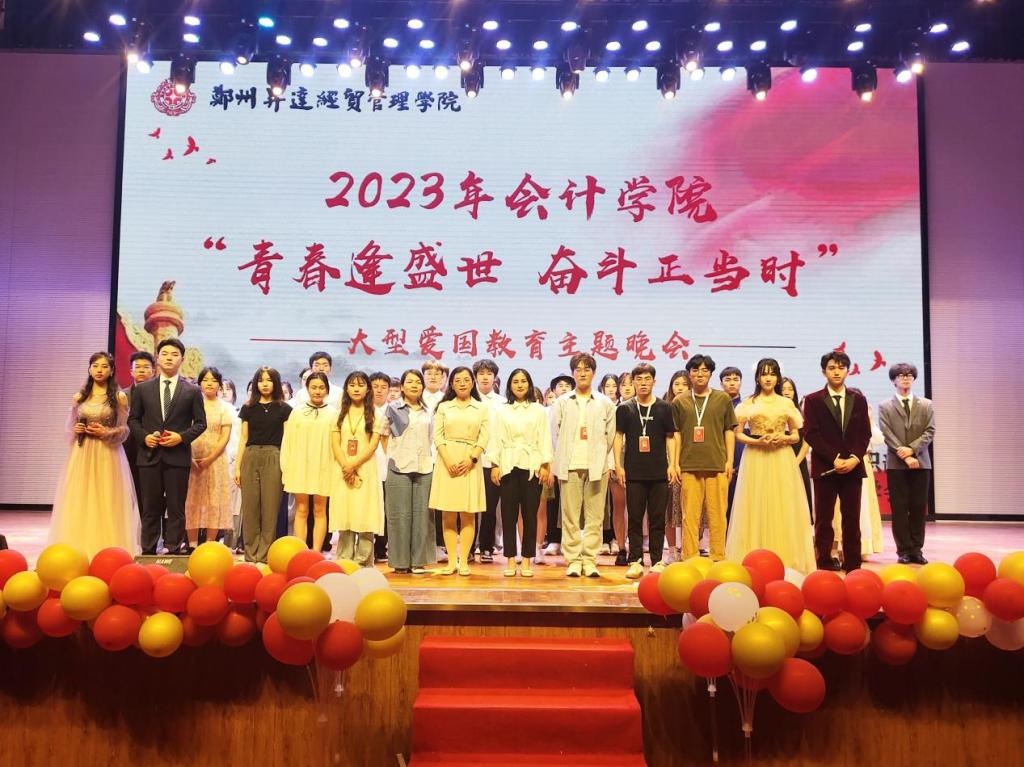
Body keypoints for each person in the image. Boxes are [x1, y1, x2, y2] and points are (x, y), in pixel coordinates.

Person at [725, 359, 815, 572]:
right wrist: (757, 442)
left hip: (781, 457)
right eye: (764, 374)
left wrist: (784, 438)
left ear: (778, 378)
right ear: (757, 377)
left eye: (772, 374)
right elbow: (738, 434)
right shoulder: (748, 403)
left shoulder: (786, 403)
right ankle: (751, 559)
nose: (768, 378)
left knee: (782, 504)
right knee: (754, 503)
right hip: (755, 457)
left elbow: (796, 435)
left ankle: (785, 559)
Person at [49, 352, 140, 556]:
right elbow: (69, 427)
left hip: (107, 453)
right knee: (80, 497)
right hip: (82, 453)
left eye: (104, 366)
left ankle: (108, 549)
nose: (99, 370)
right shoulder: (80, 397)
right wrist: (76, 429)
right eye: (95, 366)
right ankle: (77, 549)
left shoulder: (119, 397)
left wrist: (107, 432)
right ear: (89, 369)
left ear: (112, 370)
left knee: (106, 498)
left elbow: (125, 430)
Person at [128, 338, 207, 556]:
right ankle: (148, 550)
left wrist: (181, 437)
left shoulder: (192, 390)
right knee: (150, 507)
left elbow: (201, 423)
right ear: (157, 358)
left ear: (182, 359)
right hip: (149, 456)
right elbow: (133, 420)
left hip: (178, 457)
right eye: (164, 354)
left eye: (174, 354)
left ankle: (173, 550)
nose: (169, 358)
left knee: (176, 507)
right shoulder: (143, 389)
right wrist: (144, 437)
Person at [802, 351, 872, 571]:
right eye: (832, 368)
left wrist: (854, 458)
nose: (836, 372)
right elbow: (811, 434)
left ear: (847, 371)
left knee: (852, 520)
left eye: (841, 368)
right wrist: (834, 458)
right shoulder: (812, 400)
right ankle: (823, 562)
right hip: (825, 468)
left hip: (853, 468)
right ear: (824, 371)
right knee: (824, 520)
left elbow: (865, 433)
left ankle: (852, 565)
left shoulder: (858, 399)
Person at [551, 354, 616, 578]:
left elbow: (610, 436)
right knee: (570, 516)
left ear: (593, 373)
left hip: (597, 466)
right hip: (569, 465)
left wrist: (600, 457)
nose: (582, 373)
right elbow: (554, 435)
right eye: (578, 369)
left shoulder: (605, 403)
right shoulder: (562, 402)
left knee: (595, 517)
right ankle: (573, 560)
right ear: (572, 373)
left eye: (587, 369)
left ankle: (589, 560)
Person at [614, 364, 679, 579]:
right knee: (634, 517)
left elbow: (670, 437)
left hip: (659, 471)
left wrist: (672, 464)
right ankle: (635, 561)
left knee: (657, 518)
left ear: (654, 381)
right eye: (639, 379)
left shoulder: (664, 407)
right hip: (634, 472)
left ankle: (658, 559)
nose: (643, 383)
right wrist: (618, 465)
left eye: (647, 379)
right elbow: (618, 436)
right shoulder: (625, 408)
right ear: (633, 382)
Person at [488, 368, 553, 577]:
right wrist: (495, 465)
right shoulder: (502, 410)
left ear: (529, 384)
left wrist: (545, 465)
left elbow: (545, 438)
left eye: (523, 381)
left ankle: (526, 560)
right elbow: (495, 438)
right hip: (507, 465)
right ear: (510, 385)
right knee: (508, 515)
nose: (519, 385)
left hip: (532, 465)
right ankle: (509, 559)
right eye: (515, 381)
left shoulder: (538, 410)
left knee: (530, 515)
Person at [671, 355, 736, 561]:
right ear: (689, 374)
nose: (700, 374)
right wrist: (675, 463)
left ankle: (718, 556)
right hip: (689, 465)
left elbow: (729, 430)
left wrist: (729, 461)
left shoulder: (722, 399)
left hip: (717, 464)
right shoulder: (680, 401)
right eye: (695, 370)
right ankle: (689, 557)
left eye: (705, 370)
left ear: (710, 374)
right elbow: (676, 433)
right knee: (690, 516)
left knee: (718, 515)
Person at [429, 367, 489, 576]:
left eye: (466, 379)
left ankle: (464, 561)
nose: (462, 383)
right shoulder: (444, 407)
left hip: (470, 462)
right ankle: (451, 562)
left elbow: (484, 436)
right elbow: (437, 436)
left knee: (468, 514)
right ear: (451, 384)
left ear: (472, 383)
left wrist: (472, 458)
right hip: (447, 461)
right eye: (458, 380)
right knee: (448, 513)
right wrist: (447, 460)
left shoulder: (481, 408)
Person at [878, 363, 936, 565]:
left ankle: (916, 550)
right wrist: (904, 454)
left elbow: (930, 431)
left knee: (918, 508)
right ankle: (903, 550)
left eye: (909, 375)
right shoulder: (885, 406)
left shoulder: (926, 404)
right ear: (893, 380)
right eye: (901, 375)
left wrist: (912, 449)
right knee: (900, 508)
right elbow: (886, 433)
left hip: (921, 463)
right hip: (897, 464)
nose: (905, 378)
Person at [235, 366, 292, 563]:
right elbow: (243, 439)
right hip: (250, 456)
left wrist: (286, 465)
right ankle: (250, 555)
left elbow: (287, 440)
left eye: (269, 380)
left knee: (270, 509)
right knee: (250, 508)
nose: (265, 384)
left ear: (276, 383)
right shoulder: (247, 408)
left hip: (274, 456)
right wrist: (237, 467)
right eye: (261, 380)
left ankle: (264, 555)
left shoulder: (284, 409)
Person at [330, 371, 387, 566]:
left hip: (365, 468)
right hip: (342, 468)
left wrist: (353, 465)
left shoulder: (376, 414)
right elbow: (335, 443)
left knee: (365, 513)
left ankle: (363, 562)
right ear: (346, 388)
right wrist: (345, 465)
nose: (356, 389)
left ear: (368, 389)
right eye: (352, 385)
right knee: (345, 512)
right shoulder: (338, 413)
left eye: (361, 385)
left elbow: (373, 445)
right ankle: (344, 561)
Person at [384, 369, 435, 574]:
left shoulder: (428, 410)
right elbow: (383, 435)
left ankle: (418, 561)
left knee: (423, 515)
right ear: (402, 386)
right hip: (399, 466)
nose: (414, 385)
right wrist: (393, 455)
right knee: (399, 515)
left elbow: (431, 437)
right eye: (410, 382)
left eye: (418, 382)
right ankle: (400, 561)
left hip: (424, 466)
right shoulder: (392, 408)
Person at [280, 372, 337, 554]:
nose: (317, 391)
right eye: (314, 387)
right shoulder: (297, 412)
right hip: (300, 466)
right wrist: (286, 467)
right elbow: (288, 441)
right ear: (307, 389)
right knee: (301, 509)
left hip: (324, 466)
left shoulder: (334, 413)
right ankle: (301, 552)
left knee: (320, 510)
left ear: (327, 390)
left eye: (321, 387)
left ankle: (316, 552)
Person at [184, 367, 234, 549]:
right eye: (205, 380)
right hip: (192, 460)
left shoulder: (225, 408)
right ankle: (192, 545)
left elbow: (225, 437)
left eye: (213, 380)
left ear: (219, 385)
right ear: (199, 384)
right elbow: (184, 431)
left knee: (214, 501)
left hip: (216, 461)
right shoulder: (191, 405)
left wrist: (210, 458)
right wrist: (189, 457)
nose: (209, 383)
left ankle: (210, 545)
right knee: (192, 501)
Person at [472, 358, 503, 563]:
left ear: (495, 377)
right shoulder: (468, 399)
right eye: (481, 374)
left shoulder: (502, 403)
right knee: (470, 507)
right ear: (475, 377)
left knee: (490, 508)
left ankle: (486, 547)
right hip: (471, 461)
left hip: (493, 461)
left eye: (489, 374)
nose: (485, 377)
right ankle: (469, 547)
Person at [662, 370, 690, 563]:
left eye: (684, 384)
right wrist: (671, 463)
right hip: (668, 464)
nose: (680, 388)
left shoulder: (694, 407)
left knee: (690, 511)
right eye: (677, 384)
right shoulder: (664, 408)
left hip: (690, 463)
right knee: (669, 512)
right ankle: (672, 550)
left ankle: (689, 549)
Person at [123, 351, 155, 514]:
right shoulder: (121, 395)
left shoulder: (159, 395)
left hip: (152, 448)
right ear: (131, 371)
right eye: (138, 367)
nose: (141, 370)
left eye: (146, 367)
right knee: (127, 491)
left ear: (153, 371)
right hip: (127, 449)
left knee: (150, 494)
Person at [781, 377, 813, 518]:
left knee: (800, 497)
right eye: (783, 389)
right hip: (779, 459)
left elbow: (807, 440)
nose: (787, 392)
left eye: (790, 389)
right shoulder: (774, 412)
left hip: (798, 460)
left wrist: (797, 460)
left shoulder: (800, 413)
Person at [369, 371, 392, 562]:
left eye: (383, 387)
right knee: (368, 505)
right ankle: (365, 544)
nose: (379, 390)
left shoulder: (394, 411)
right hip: (367, 463)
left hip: (388, 464)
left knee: (385, 507)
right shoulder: (362, 411)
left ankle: (381, 546)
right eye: (375, 386)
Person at [719, 367, 745, 523]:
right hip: (720, 465)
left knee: (742, 509)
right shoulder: (716, 406)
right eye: (727, 380)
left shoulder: (747, 406)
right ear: (721, 383)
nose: (732, 383)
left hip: (743, 464)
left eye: (736, 379)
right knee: (721, 509)